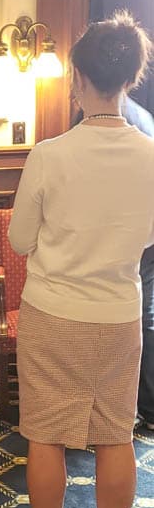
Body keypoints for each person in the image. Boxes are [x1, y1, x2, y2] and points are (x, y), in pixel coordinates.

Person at [9, 11, 154, 508]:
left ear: (78, 79)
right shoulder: (152, 157)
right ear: (130, 79)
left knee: (45, 436)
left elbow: (20, 241)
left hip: (51, 314)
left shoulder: (50, 154)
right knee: (115, 436)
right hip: (119, 315)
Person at [71, 94, 154, 432]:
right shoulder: (143, 117)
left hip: (116, 240)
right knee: (143, 317)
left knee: (128, 320)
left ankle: (115, 406)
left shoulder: (99, 118)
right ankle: (142, 405)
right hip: (139, 238)